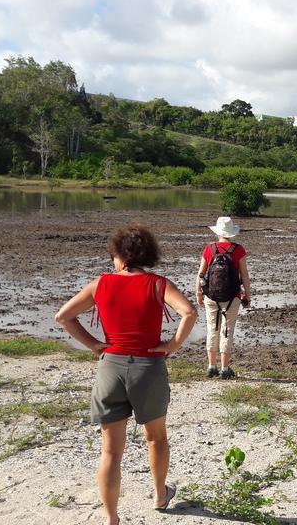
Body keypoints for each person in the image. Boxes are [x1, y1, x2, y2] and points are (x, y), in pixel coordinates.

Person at [54, 223, 197, 524]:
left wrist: (94, 344)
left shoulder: (100, 284)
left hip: (111, 367)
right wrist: (171, 345)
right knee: (156, 437)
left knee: (111, 452)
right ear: (148, 254)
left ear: (119, 254)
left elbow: (63, 317)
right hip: (148, 368)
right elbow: (189, 312)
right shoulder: (158, 284)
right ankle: (160, 495)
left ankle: (111, 518)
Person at [196, 216, 251, 379]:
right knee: (227, 331)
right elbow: (245, 276)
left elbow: (200, 274)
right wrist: (247, 295)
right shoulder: (238, 250)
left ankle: (211, 366)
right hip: (232, 296)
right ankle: (225, 369)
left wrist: (199, 293)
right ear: (231, 232)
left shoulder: (209, 249)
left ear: (218, 232)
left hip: (211, 296)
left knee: (212, 328)